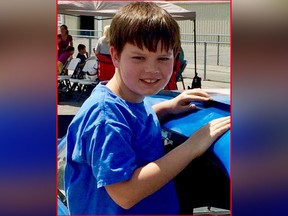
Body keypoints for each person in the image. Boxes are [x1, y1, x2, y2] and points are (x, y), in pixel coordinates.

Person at [64, 2, 230, 215]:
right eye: (139, 57)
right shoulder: (106, 117)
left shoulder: (127, 99)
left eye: (163, 58)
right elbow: (124, 193)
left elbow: (132, 125)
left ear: (175, 55)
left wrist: (167, 108)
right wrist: (192, 147)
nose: (152, 69)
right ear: (115, 55)